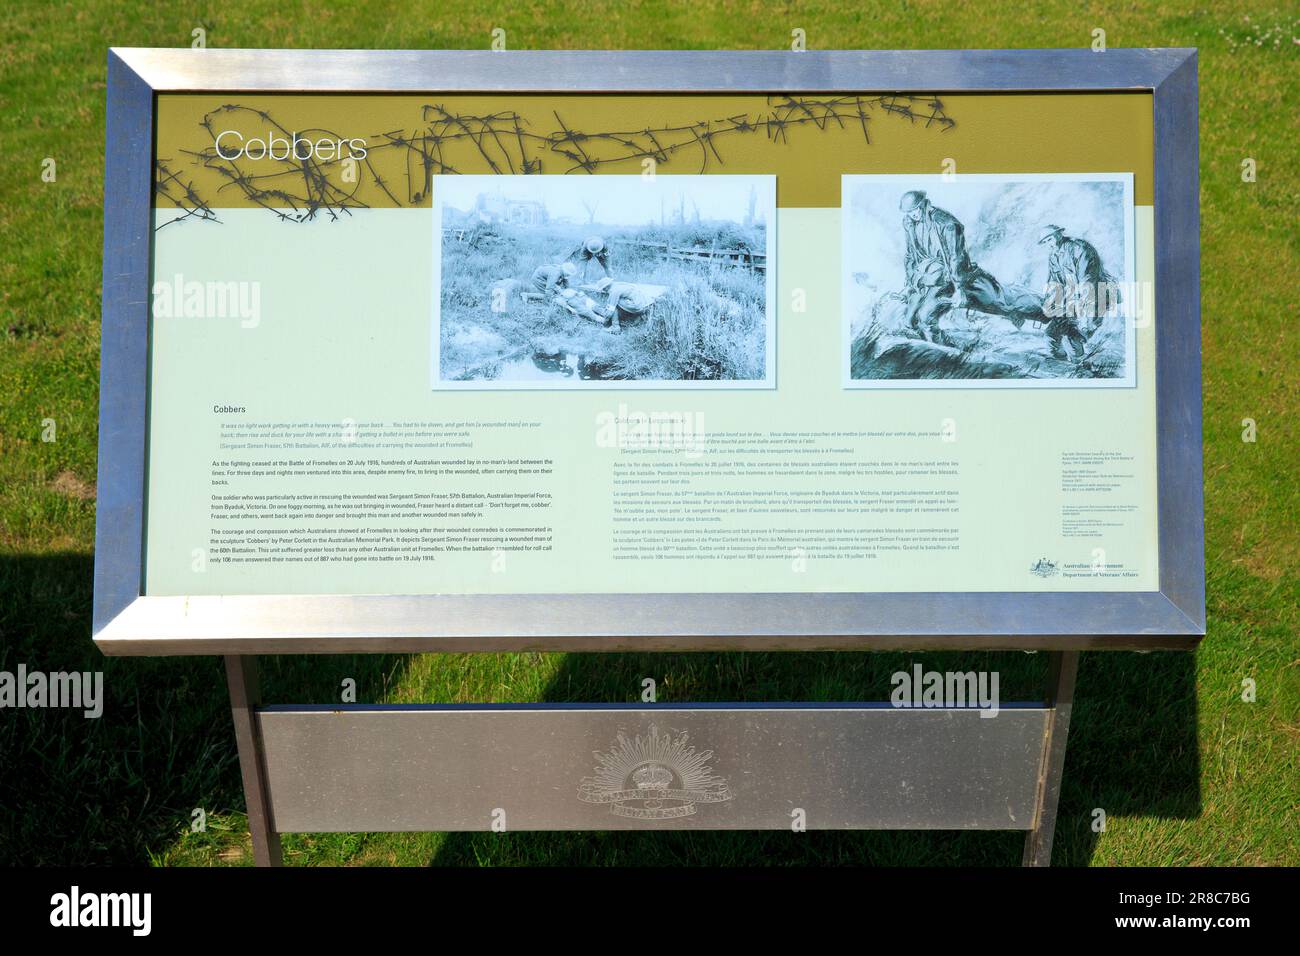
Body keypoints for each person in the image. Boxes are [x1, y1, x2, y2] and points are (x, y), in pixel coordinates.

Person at [898, 190, 1007, 347]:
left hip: (946, 277)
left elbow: (956, 258)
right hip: (924, 276)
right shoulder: (909, 224)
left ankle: (942, 354)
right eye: (908, 212)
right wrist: (911, 280)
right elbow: (910, 255)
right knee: (908, 320)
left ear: (923, 205)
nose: (912, 215)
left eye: (914, 210)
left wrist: (959, 289)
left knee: (925, 318)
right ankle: (929, 351)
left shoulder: (947, 224)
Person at [1039, 224, 1119, 352]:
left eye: (1050, 239)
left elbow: (1087, 282)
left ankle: (1081, 366)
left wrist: (1084, 314)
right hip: (1072, 299)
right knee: (1051, 335)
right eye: (1045, 241)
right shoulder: (1054, 256)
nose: (1049, 244)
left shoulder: (1079, 248)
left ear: (1059, 234)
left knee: (1073, 337)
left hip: (1095, 296)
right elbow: (1055, 283)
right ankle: (1061, 365)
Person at [593, 278, 661, 331]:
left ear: (606, 287)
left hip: (638, 306)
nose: (604, 291)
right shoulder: (620, 284)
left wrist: (605, 322)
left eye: (603, 289)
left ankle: (615, 327)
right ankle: (637, 318)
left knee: (613, 304)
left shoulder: (614, 292)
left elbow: (610, 312)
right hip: (647, 303)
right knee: (618, 301)